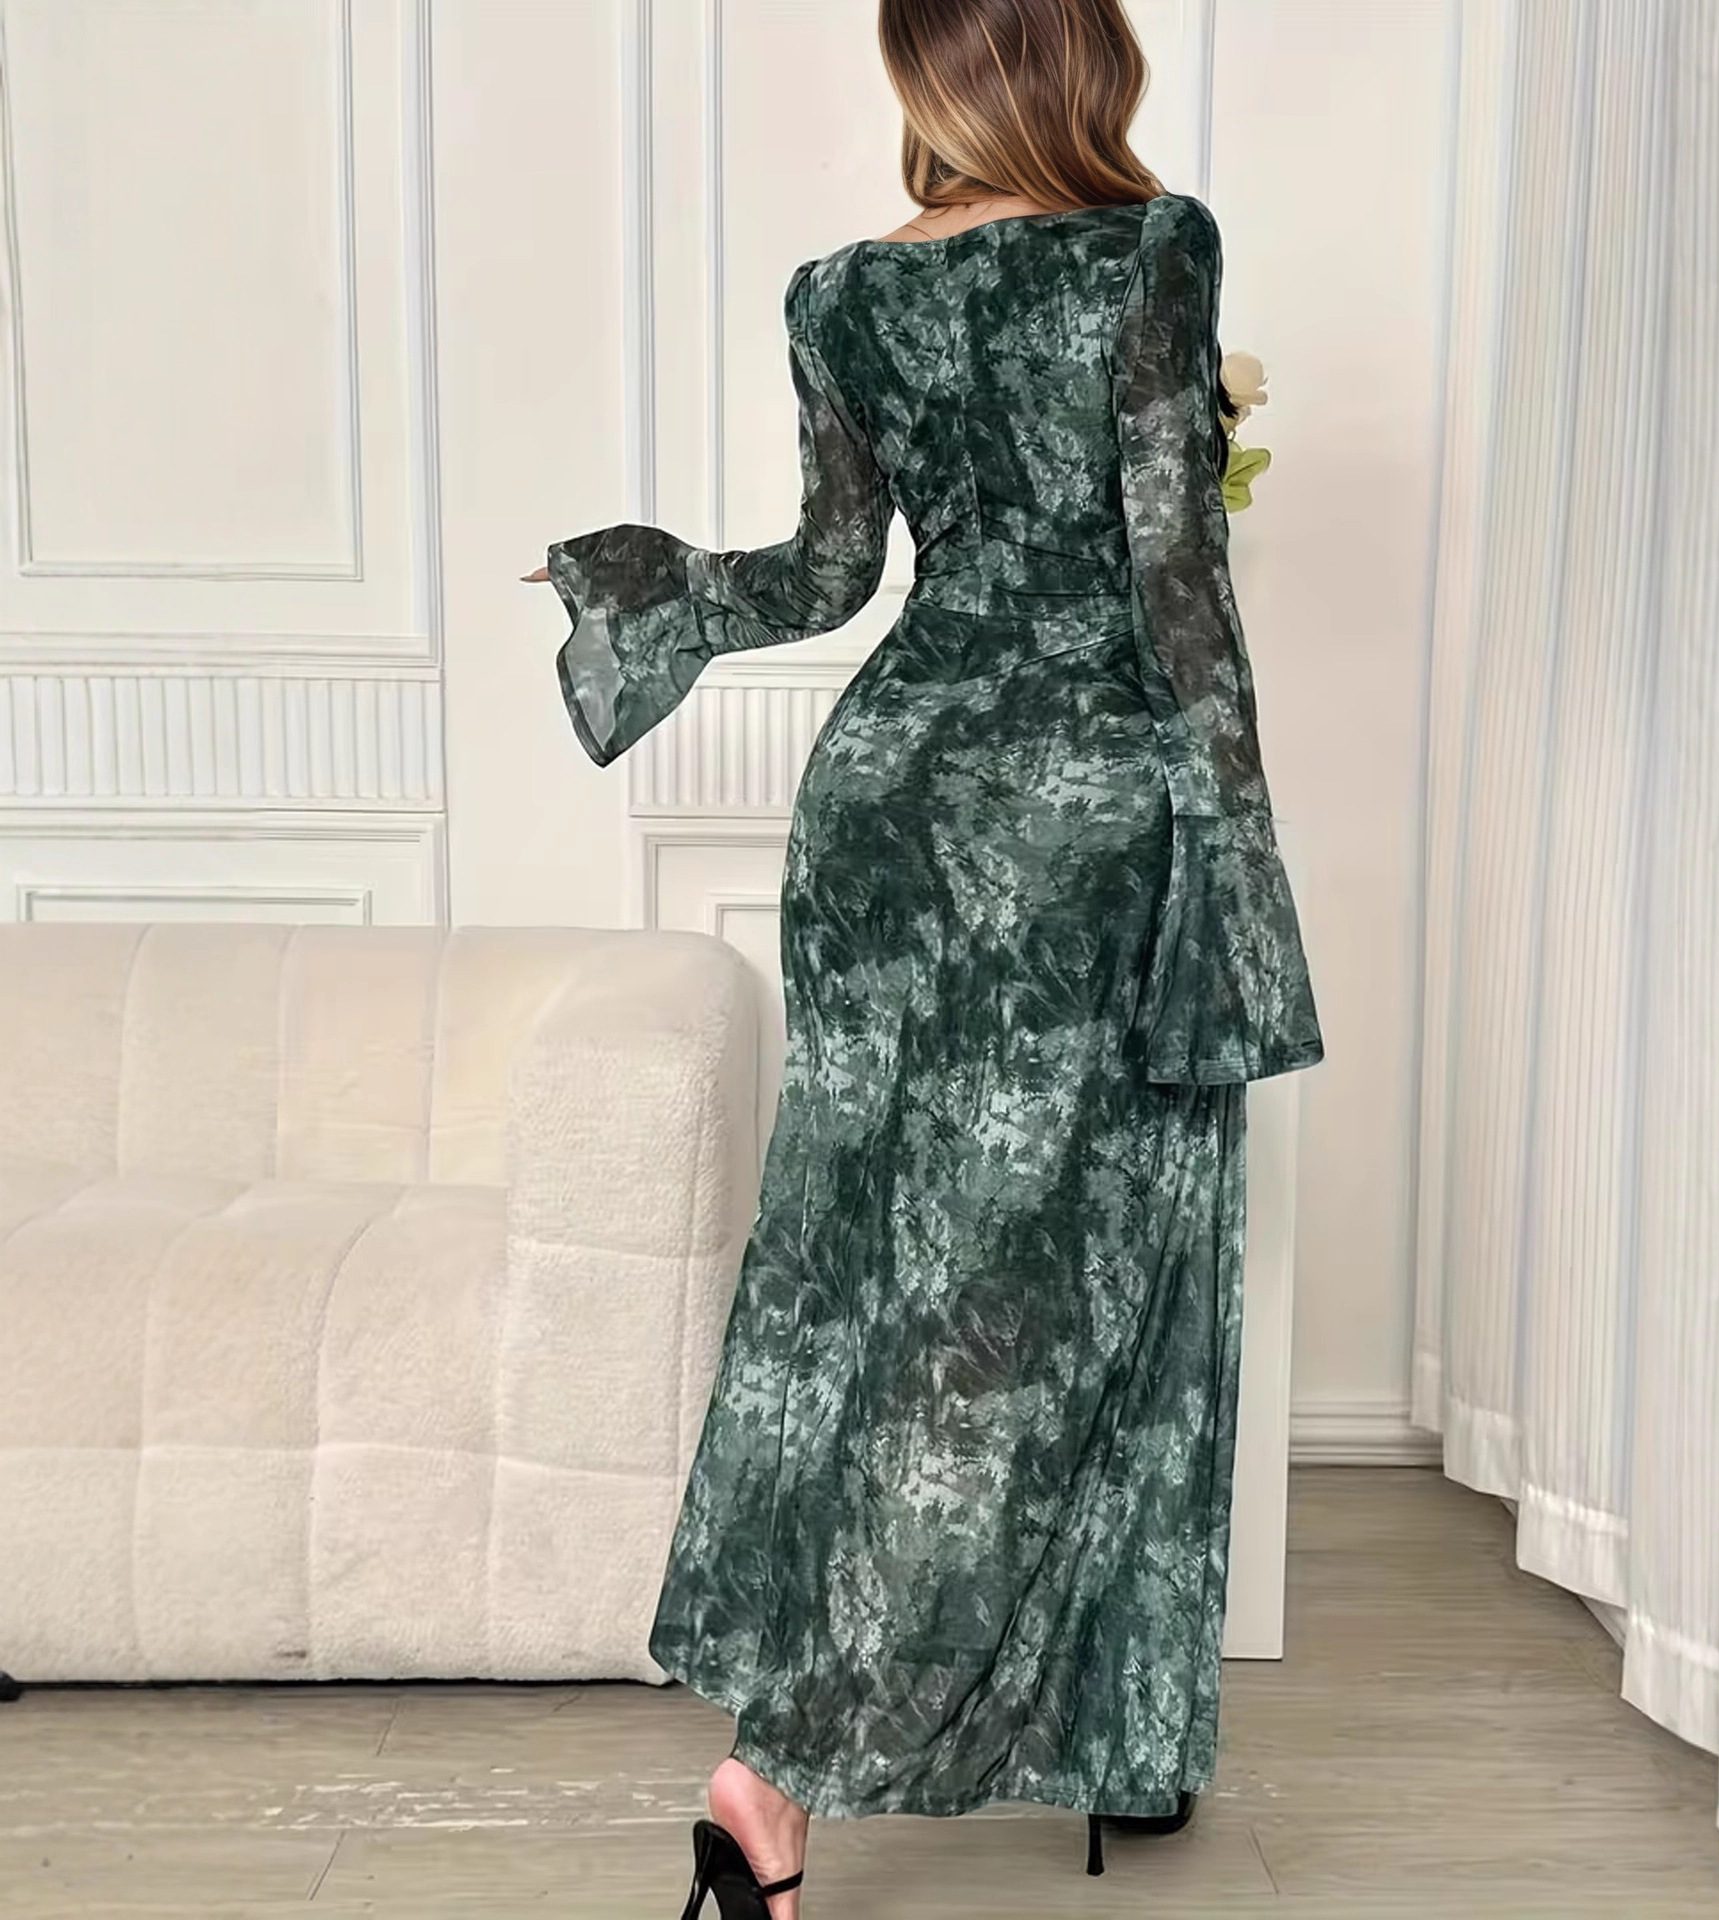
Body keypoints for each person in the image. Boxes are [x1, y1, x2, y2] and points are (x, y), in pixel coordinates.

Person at [525, 2, 1323, 1912]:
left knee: (862, 1269)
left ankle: (1094, 1726)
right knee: (1049, 1296)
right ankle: (783, 1764)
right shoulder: (1153, 248)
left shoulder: (839, 294)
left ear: (936, 75)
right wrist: (1240, 860)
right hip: (1080, 809)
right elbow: (1176, 586)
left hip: (885, 792)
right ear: (1078, 58)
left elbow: (826, 572)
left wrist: (637, 582)